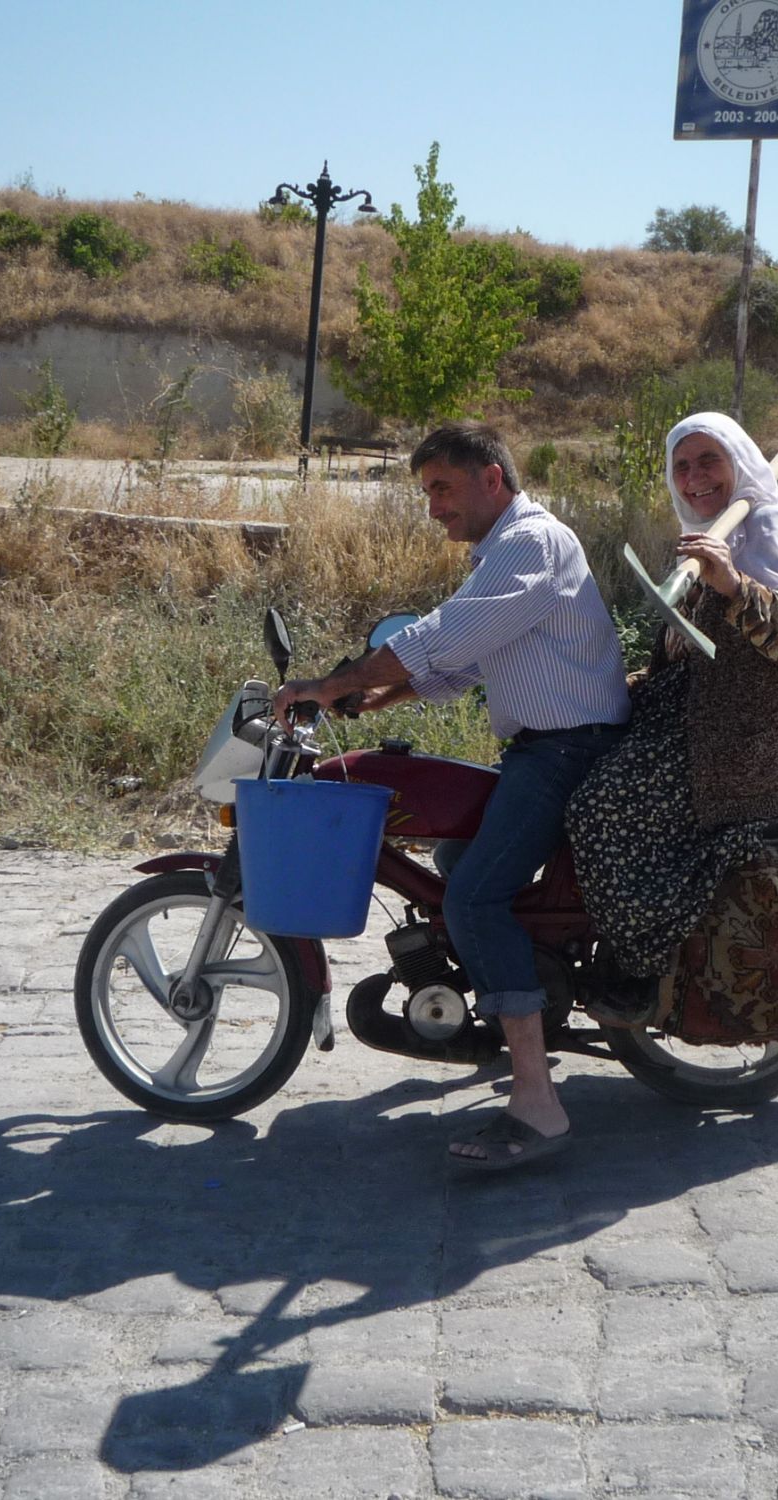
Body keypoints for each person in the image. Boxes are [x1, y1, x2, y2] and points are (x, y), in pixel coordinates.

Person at [272, 423, 629, 1171]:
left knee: (472, 899)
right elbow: (465, 660)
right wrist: (378, 697)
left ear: (491, 478)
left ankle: (537, 1103)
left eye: (441, 488)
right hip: (546, 748)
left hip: (566, 752)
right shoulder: (505, 551)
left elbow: (447, 634)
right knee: (458, 856)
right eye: (427, 491)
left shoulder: (530, 543)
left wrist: (333, 683)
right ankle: (513, 1003)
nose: (433, 506)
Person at [566, 410, 778, 1020]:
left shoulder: (766, 525)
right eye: (682, 466)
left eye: (709, 461)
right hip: (699, 724)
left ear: (738, 463)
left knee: (601, 807)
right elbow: (691, 651)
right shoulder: (712, 534)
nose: (695, 478)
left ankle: (639, 968)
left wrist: (733, 585)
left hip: (749, 743)